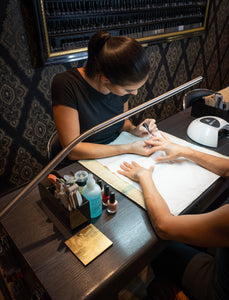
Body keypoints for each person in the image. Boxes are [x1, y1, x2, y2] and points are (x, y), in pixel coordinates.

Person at [118, 132, 229, 300]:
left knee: (156, 250)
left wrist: (144, 176)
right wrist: (185, 151)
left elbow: (164, 226)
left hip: (217, 288)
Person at [51, 31, 157, 161]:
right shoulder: (66, 84)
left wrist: (134, 129)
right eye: (129, 90)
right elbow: (73, 151)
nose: (135, 93)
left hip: (114, 155)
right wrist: (128, 148)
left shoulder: (118, 83)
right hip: (80, 163)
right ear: (105, 79)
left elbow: (122, 122)